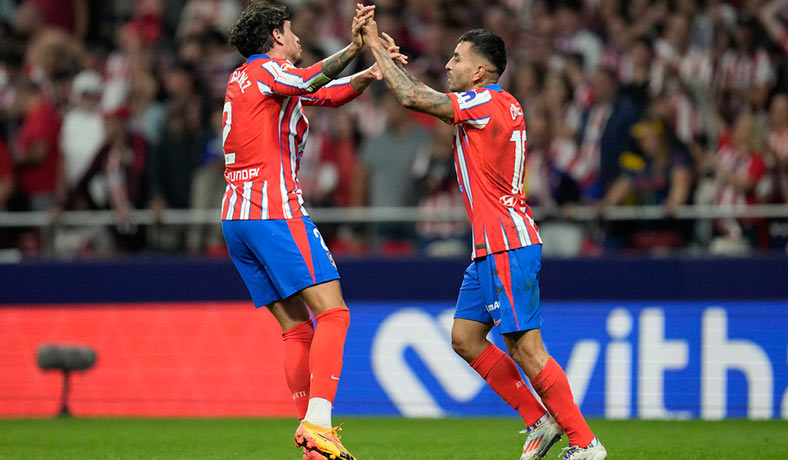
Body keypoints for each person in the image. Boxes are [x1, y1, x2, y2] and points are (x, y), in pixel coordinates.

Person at [360, 12, 607, 460]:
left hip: (507, 244)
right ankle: (539, 419)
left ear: (479, 69)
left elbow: (414, 97)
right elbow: (421, 91)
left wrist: (375, 46)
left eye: (457, 57)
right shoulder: (499, 104)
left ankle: (585, 443)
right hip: (489, 247)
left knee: (527, 349)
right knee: (466, 338)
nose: (448, 64)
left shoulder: (485, 102)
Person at [220, 3, 402, 460]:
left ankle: (313, 447)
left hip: (237, 218)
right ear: (277, 36)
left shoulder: (247, 79)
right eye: (291, 30)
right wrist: (358, 46)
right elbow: (310, 81)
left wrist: (368, 72)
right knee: (334, 314)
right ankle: (319, 423)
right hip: (273, 210)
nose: (298, 38)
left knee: (296, 329)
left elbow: (325, 93)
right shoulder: (267, 70)